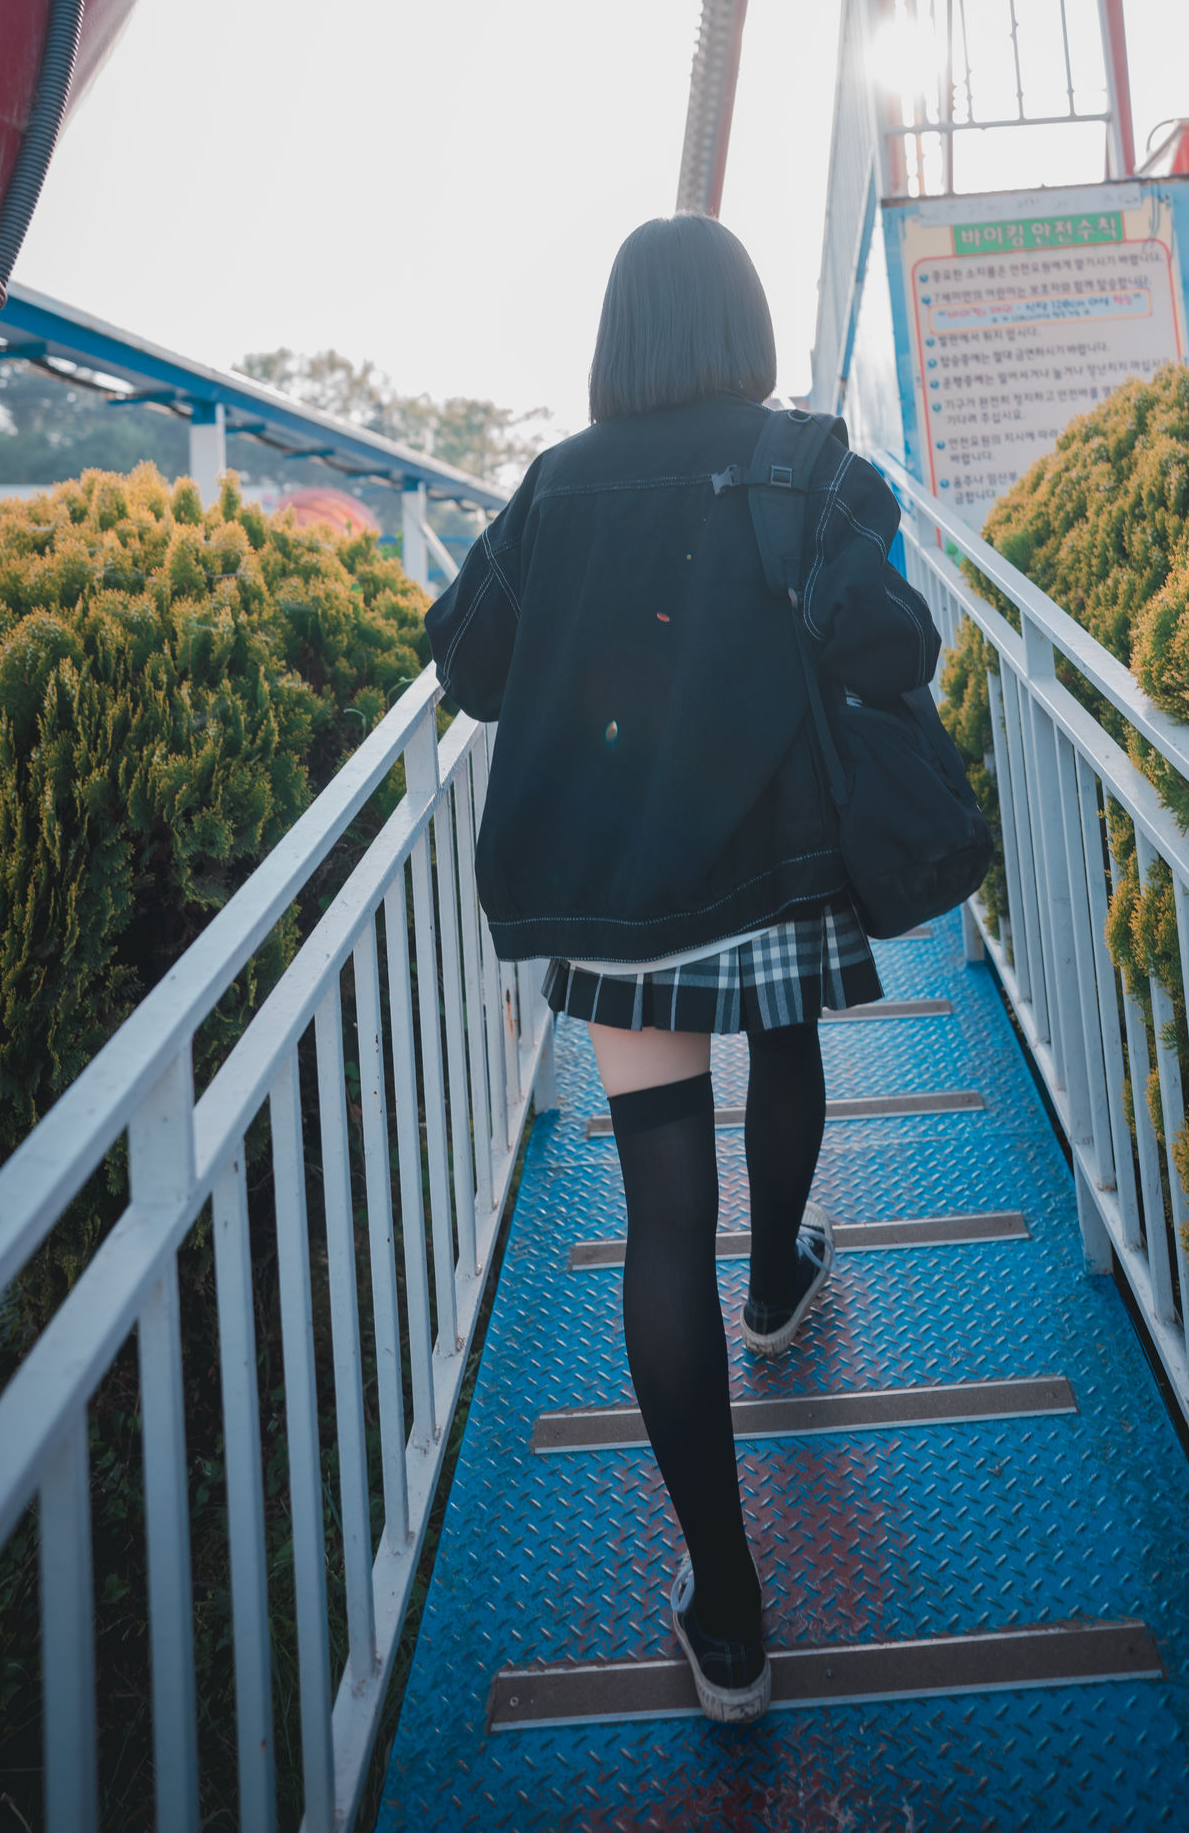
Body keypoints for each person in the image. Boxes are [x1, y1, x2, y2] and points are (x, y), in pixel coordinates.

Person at [423, 214, 941, 1723]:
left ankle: (727, 1609)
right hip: (771, 855)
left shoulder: (555, 483)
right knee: (786, 1047)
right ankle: (779, 1283)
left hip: (613, 893)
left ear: (619, 335)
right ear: (741, 321)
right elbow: (894, 644)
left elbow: (468, 667)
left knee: (661, 1214)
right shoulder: (806, 460)